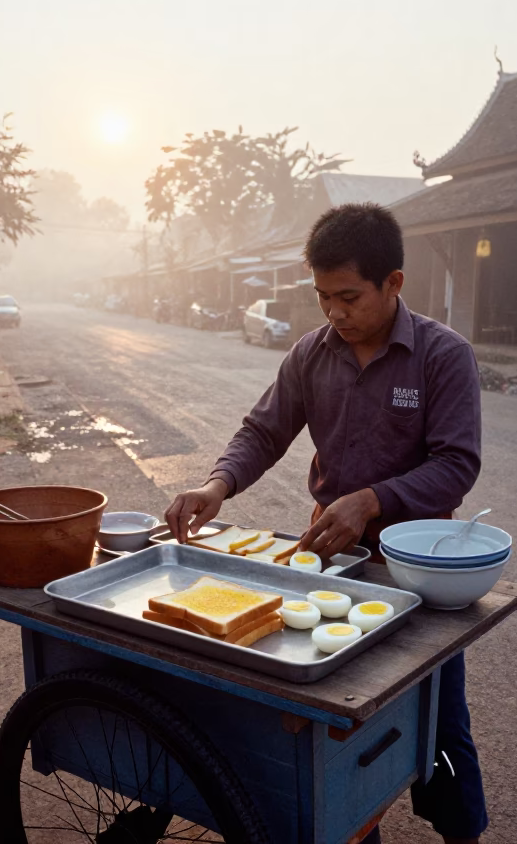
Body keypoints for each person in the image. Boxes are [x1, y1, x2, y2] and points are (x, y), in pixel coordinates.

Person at [165, 203, 488, 843]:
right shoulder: (311, 355)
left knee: (438, 721)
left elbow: (457, 465)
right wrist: (216, 484)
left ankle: (461, 831)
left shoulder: (443, 356)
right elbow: (264, 431)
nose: (334, 313)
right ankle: (355, 826)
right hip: (329, 560)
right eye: (322, 297)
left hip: (418, 571)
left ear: (393, 283)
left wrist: (372, 500)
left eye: (348, 297)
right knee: (337, 720)